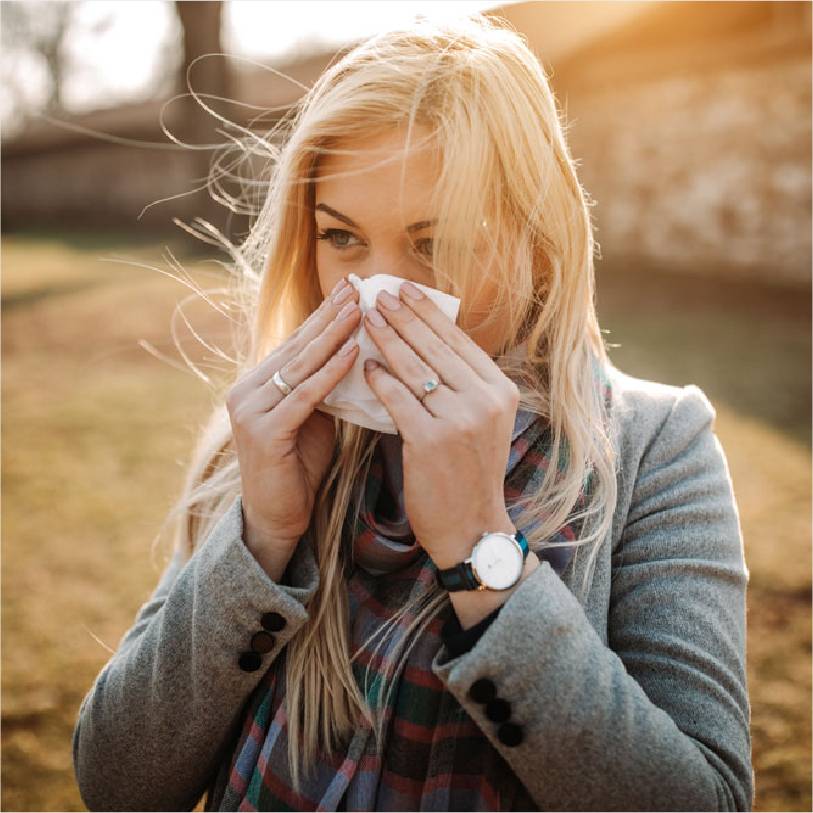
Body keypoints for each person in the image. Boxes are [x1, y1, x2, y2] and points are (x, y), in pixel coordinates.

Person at [72, 12, 753, 812]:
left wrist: (478, 547)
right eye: (343, 238)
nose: (380, 298)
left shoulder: (654, 449)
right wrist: (260, 539)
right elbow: (116, 779)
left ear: (538, 239)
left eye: (435, 241)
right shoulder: (271, 439)